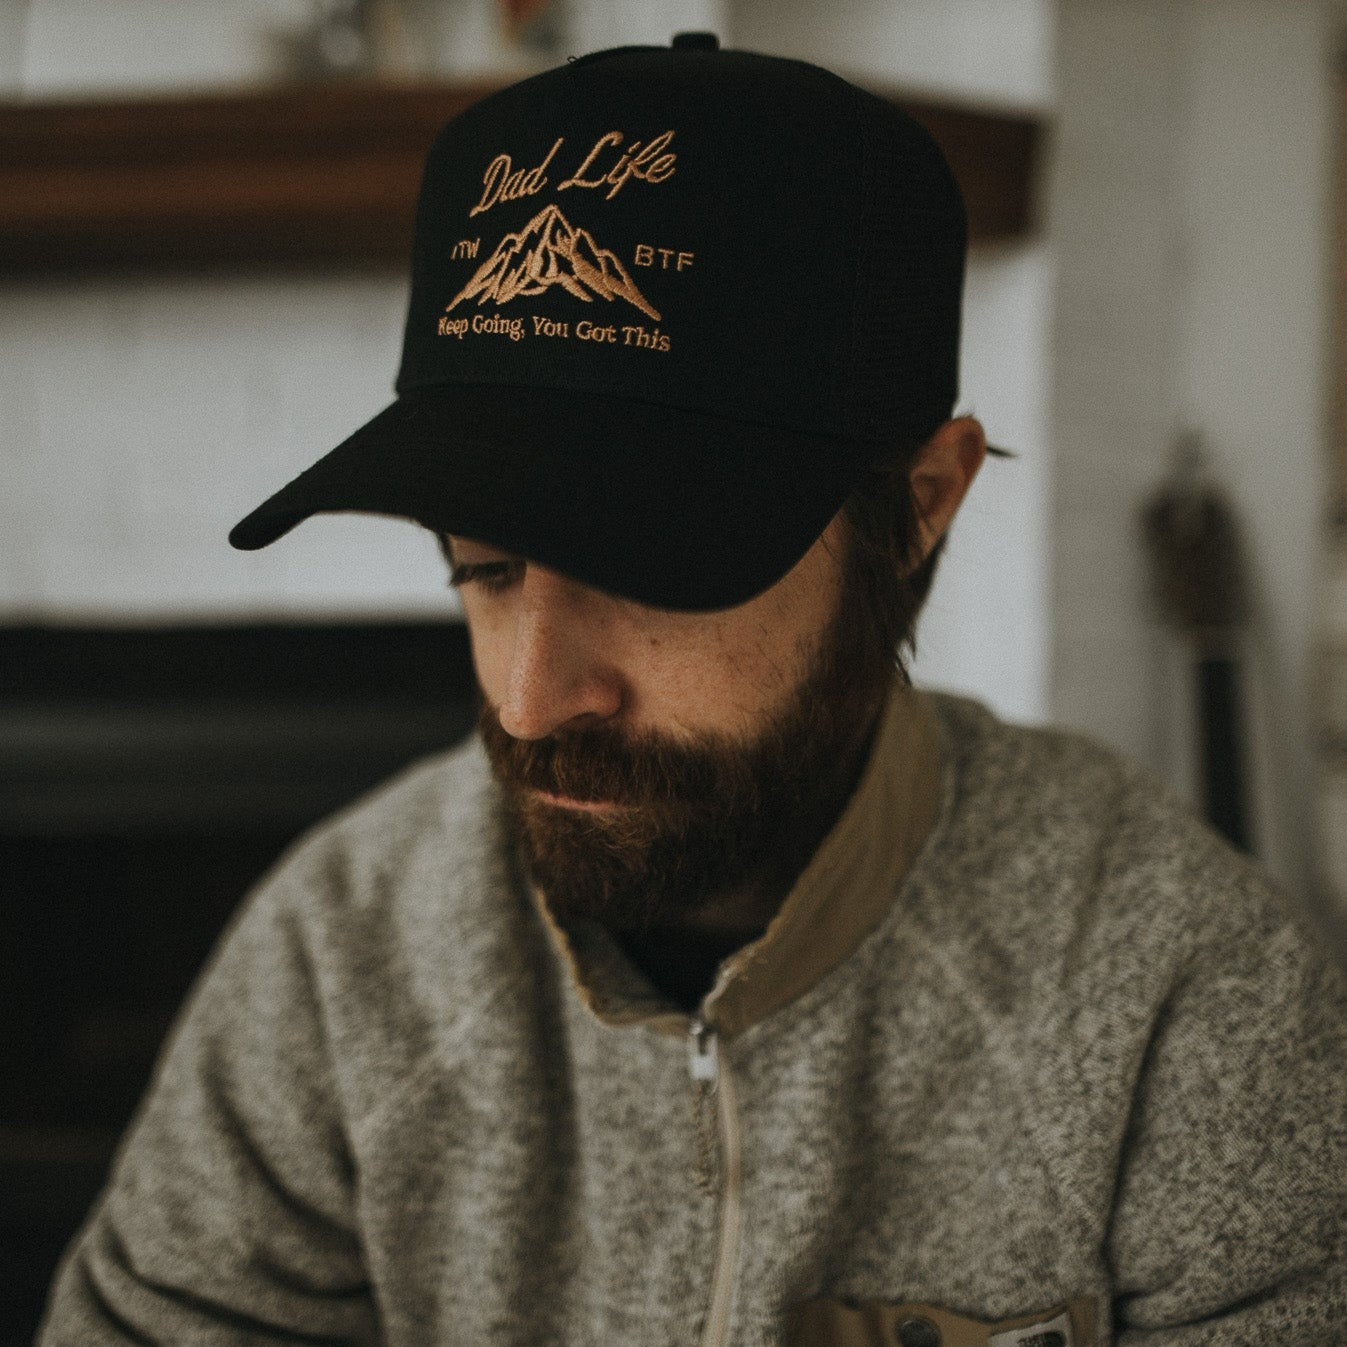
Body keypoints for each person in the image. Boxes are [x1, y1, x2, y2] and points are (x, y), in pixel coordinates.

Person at [39, 34, 1347, 1347]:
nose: (533, 699)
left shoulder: (1178, 997)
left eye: (646, 567)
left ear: (919, 506)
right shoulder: (345, 956)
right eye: (483, 569)